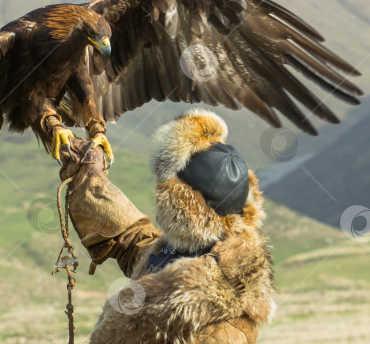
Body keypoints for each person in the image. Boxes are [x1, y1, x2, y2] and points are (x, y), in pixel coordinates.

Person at [58, 108, 275, 343]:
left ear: (185, 207)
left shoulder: (222, 329)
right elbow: (136, 241)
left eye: (167, 190)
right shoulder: (188, 253)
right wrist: (89, 177)